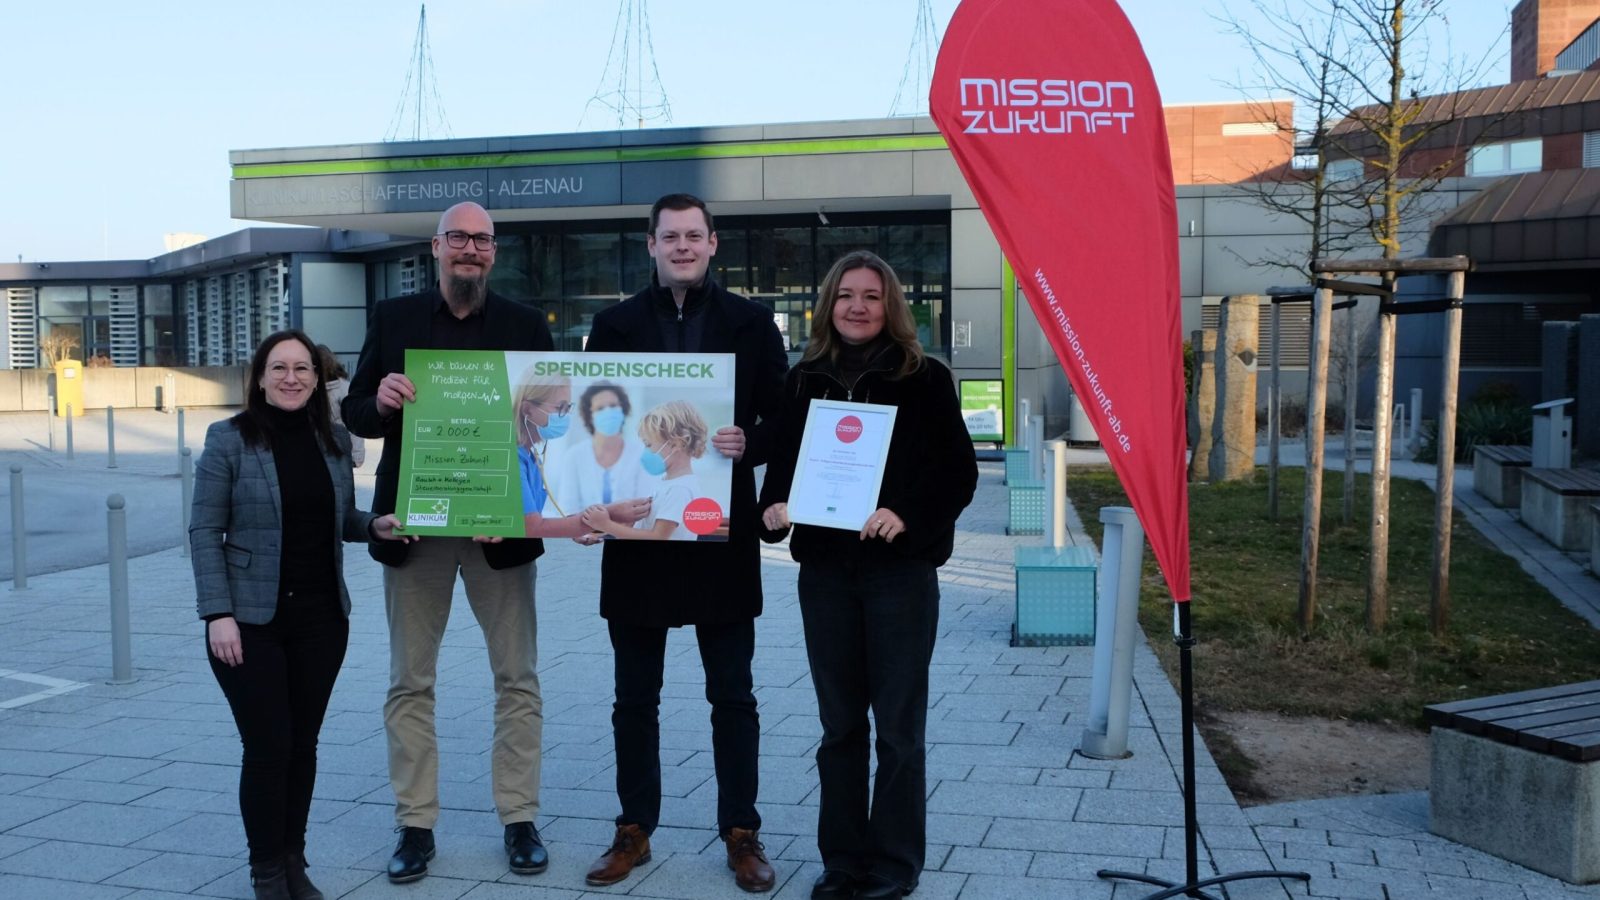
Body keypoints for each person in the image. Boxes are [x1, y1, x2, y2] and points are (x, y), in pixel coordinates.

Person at [341, 201, 556, 883]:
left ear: (494, 251)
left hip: (499, 530)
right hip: (417, 526)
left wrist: (526, 502)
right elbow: (354, 412)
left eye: (482, 240)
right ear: (435, 247)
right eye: (458, 238)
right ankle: (415, 824)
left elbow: (551, 428)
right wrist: (382, 402)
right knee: (410, 681)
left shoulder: (526, 326)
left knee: (516, 679)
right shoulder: (394, 320)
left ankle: (519, 818)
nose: (470, 249)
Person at [582, 193, 787, 892]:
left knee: (733, 694)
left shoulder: (753, 325)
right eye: (669, 236)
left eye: (693, 236)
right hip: (638, 539)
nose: (681, 246)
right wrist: (591, 512)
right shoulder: (613, 326)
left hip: (718, 537)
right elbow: (596, 433)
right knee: (633, 696)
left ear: (712, 243)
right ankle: (634, 829)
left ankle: (742, 833)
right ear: (651, 244)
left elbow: (782, 419)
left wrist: (748, 441)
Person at [757, 251, 978, 900]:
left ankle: (894, 865)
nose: (857, 306)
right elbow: (782, 478)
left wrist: (904, 513)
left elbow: (958, 474)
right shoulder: (804, 381)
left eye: (871, 297)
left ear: (892, 307)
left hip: (898, 578)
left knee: (900, 733)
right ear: (827, 304)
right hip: (825, 576)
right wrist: (771, 513)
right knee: (840, 729)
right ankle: (843, 861)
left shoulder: (924, 378)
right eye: (846, 295)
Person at [191, 329, 409, 900]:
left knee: (304, 745)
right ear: (260, 378)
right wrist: (217, 613)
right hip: (249, 622)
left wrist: (373, 525)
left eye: (303, 369)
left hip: (321, 619)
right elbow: (203, 531)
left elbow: (337, 517)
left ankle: (294, 861)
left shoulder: (331, 440)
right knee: (268, 747)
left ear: (317, 378)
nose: (292, 378)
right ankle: (266, 871)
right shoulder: (228, 440)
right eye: (280, 368)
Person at [510, 371, 646, 538]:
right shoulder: (513, 459)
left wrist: (590, 531)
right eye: (560, 407)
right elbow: (533, 527)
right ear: (527, 410)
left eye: (568, 408)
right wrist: (611, 513)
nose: (565, 415)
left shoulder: (532, 458)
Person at [582, 400, 707, 541]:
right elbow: (645, 530)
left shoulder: (679, 489)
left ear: (675, 444)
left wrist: (606, 525)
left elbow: (658, 537)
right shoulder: (667, 483)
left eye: (648, 444)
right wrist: (603, 533)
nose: (645, 451)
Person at [548, 381, 656, 515]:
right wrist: (590, 533)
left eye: (613, 405)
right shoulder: (574, 455)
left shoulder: (641, 453)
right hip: (584, 534)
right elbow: (568, 509)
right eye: (600, 408)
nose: (608, 412)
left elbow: (644, 507)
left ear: (623, 409)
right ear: (590, 416)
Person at [315, 345, 364, 468]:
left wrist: (357, 456)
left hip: (339, 452)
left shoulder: (344, 389)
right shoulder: (307, 390)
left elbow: (354, 426)